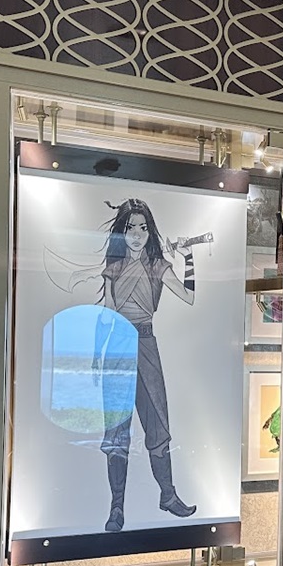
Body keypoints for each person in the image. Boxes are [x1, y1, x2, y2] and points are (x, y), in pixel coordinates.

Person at [93, 198, 198, 532]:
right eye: (130, 228)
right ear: (122, 232)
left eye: (142, 228)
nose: (137, 234)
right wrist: (97, 355)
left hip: (147, 345)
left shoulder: (158, 266)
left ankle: (168, 495)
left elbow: (189, 296)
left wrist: (189, 258)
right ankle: (116, 508)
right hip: (118, 347)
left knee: (158, 424)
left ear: (150, 231)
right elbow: (107, 313)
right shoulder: (114, 268)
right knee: (116, 430)